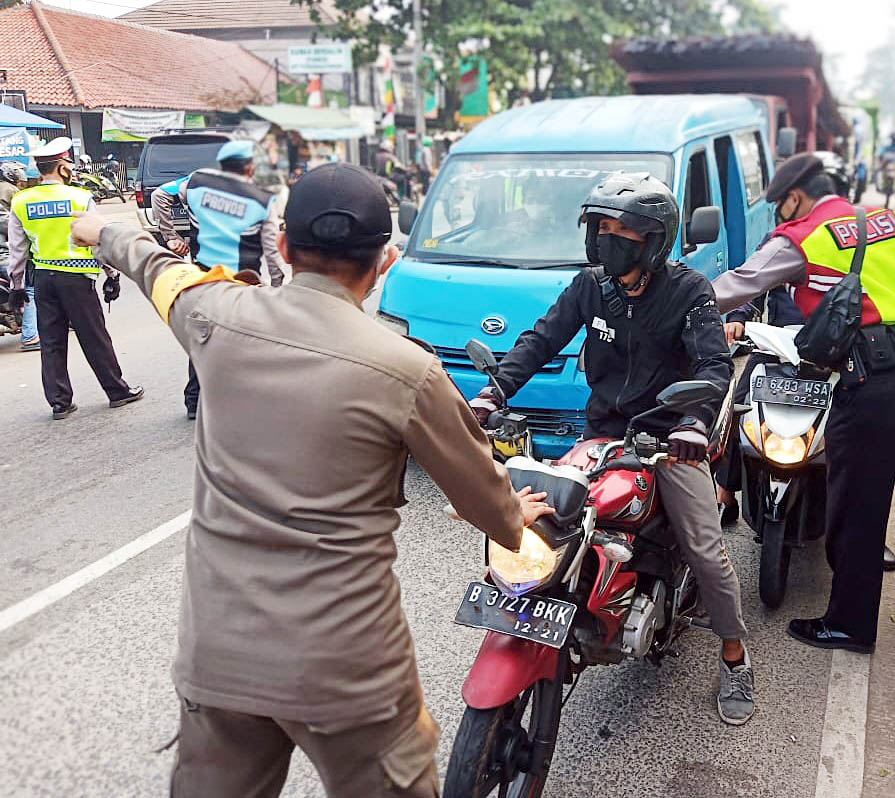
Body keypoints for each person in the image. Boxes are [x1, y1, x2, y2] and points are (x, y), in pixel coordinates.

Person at [72, 162, 555, 797]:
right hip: (348, 669)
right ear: (384, 261)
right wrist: (514, 511)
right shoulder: (410, 372)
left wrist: (99, 227)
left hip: (220, 657)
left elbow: (154, 264)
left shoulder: (212, 316)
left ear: (282, 247)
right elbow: (487, 503)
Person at [468, 172, 757, 726]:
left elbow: (712, 363)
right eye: (601, 228)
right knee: (551, 519)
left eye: (622, 230)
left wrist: (694, 425)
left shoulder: (688, 291)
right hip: (601, 432)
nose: (608, 239)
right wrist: (493, 391)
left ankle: (735, 655)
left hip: (669, 441)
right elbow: (540, 339)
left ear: (653, 240)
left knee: (704, 547)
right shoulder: (590, 288)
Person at [710, 154, 895, 654]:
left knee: (859, 504)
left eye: (782, 207)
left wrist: (675, 305)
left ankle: (849, 624)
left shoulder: (802, 236)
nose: (783, 217)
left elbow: (738, 284)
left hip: (875, 378)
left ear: (796, 198)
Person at [715, 157, 895, 572]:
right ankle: (726, 491)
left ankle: (872, 533)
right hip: (780, 348)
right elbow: (747, 283)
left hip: (839, 355)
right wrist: (739, 319)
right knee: (739, 401)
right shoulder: (782, 242)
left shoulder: (856, 245)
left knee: (862, 437)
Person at [6, 137, 142, 420]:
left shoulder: (20, 201)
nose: (71, 167)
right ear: (61, 167)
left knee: (52, 341)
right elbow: (97, 239)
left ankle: (59, 402)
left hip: (43, 279)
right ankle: (117, 392)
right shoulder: (79, 197)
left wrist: (17, 287)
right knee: (94, 337)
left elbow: (17, 251)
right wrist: (111, 274)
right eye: (68, 163)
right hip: (77, 279)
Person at [151, 139, 288, 419]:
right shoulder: (261, 199)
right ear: (250, 167)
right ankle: (237, 403)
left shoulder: (197, 182)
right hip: (242, 283)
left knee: (201, 334)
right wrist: (278, 288)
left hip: (202, 276)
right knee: (243, 341)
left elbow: (159, 197)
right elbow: (273, 252)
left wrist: (171, 236)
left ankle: (194, 401)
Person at [0, 161, 39, 351]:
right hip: (3, 255)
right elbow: (18, 223)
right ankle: (31, 335)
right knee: (29, 289)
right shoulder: (11, 191)